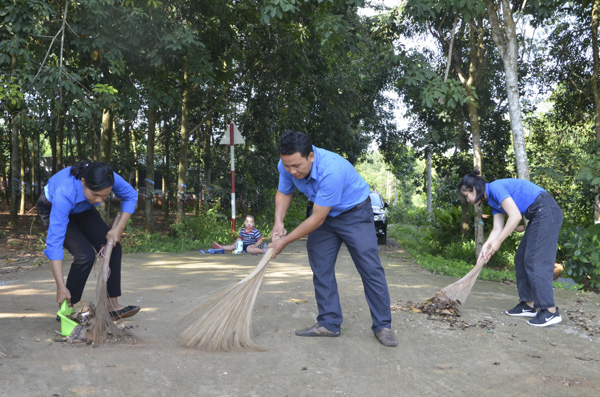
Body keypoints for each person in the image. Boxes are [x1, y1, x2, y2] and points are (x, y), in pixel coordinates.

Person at [269, 131, 397, 347]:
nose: (292, 171)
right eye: (287, 166)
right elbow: (284, 192)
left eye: (296, 166)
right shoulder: (287, 164)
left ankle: (383, 326)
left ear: (311, 156)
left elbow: (317, 219)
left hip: (354, 213)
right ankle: (329, 323)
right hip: (325, 216)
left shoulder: (332, 170)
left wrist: (285, 240)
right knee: (321, 266)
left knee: (370, 268)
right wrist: (278, 222)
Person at [458, 169, 564, 327]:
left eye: (467, 196)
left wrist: (499, 242)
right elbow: (497, 229)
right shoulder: (493, 200)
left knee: (534, 261)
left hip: (546, 211)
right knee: (521, 258)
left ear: (474, 188)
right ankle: (528, 305)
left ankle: (550, 311)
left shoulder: (494, 188)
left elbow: (515, 216)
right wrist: (486, 247)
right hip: (538, 215)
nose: (467, 200)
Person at [37, 161, 140, 320]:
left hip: (83, 207)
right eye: (95, 194)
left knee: (111, 247)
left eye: (105, 196)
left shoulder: (108, 178)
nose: (99, 200)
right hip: (52, 206)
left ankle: (112, 306)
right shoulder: (65, 192)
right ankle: (68, 308)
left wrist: (118, 228)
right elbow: (54, 243)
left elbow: (131, 195)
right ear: (83, 182)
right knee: (85, 256)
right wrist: (60, 286)